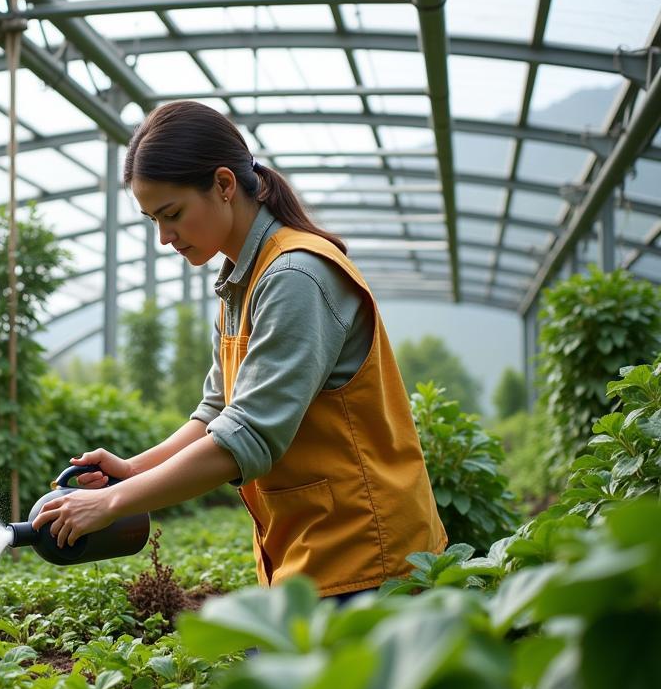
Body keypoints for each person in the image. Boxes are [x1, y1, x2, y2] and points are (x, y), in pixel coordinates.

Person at [32, 101, 446, 599]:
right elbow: (217, 412)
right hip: (315, 552)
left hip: (367, 555)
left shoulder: (295, 277)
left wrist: (114, 501)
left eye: (172, 214)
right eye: (152, 219)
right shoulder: (240, 281)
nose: (164, 237)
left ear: (224, 185)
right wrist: (133, 468)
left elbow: (245, 436)